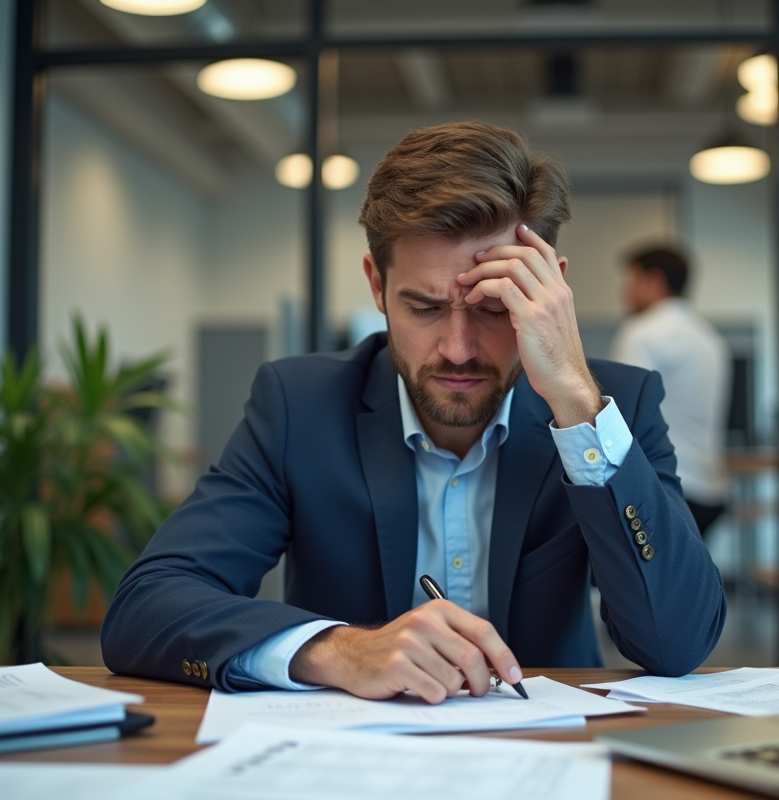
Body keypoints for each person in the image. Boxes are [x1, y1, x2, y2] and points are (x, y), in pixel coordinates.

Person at [102, 122, 726, 703]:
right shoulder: (300, 407)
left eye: (492, 308)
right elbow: (147, 608)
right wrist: (337, 650)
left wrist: (577, 406)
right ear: (376, 285)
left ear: (549, 291)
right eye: (424, 308)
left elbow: (677, 643)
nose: (457, 350)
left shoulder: (612, 406)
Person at [611, 246, 731, 537]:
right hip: (709, 491)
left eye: (632, 282)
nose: (624, 293)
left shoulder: (643, 332)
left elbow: (619, 419)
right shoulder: (710, 338)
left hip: (666, 492)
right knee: (685, 582)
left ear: (655, 281)